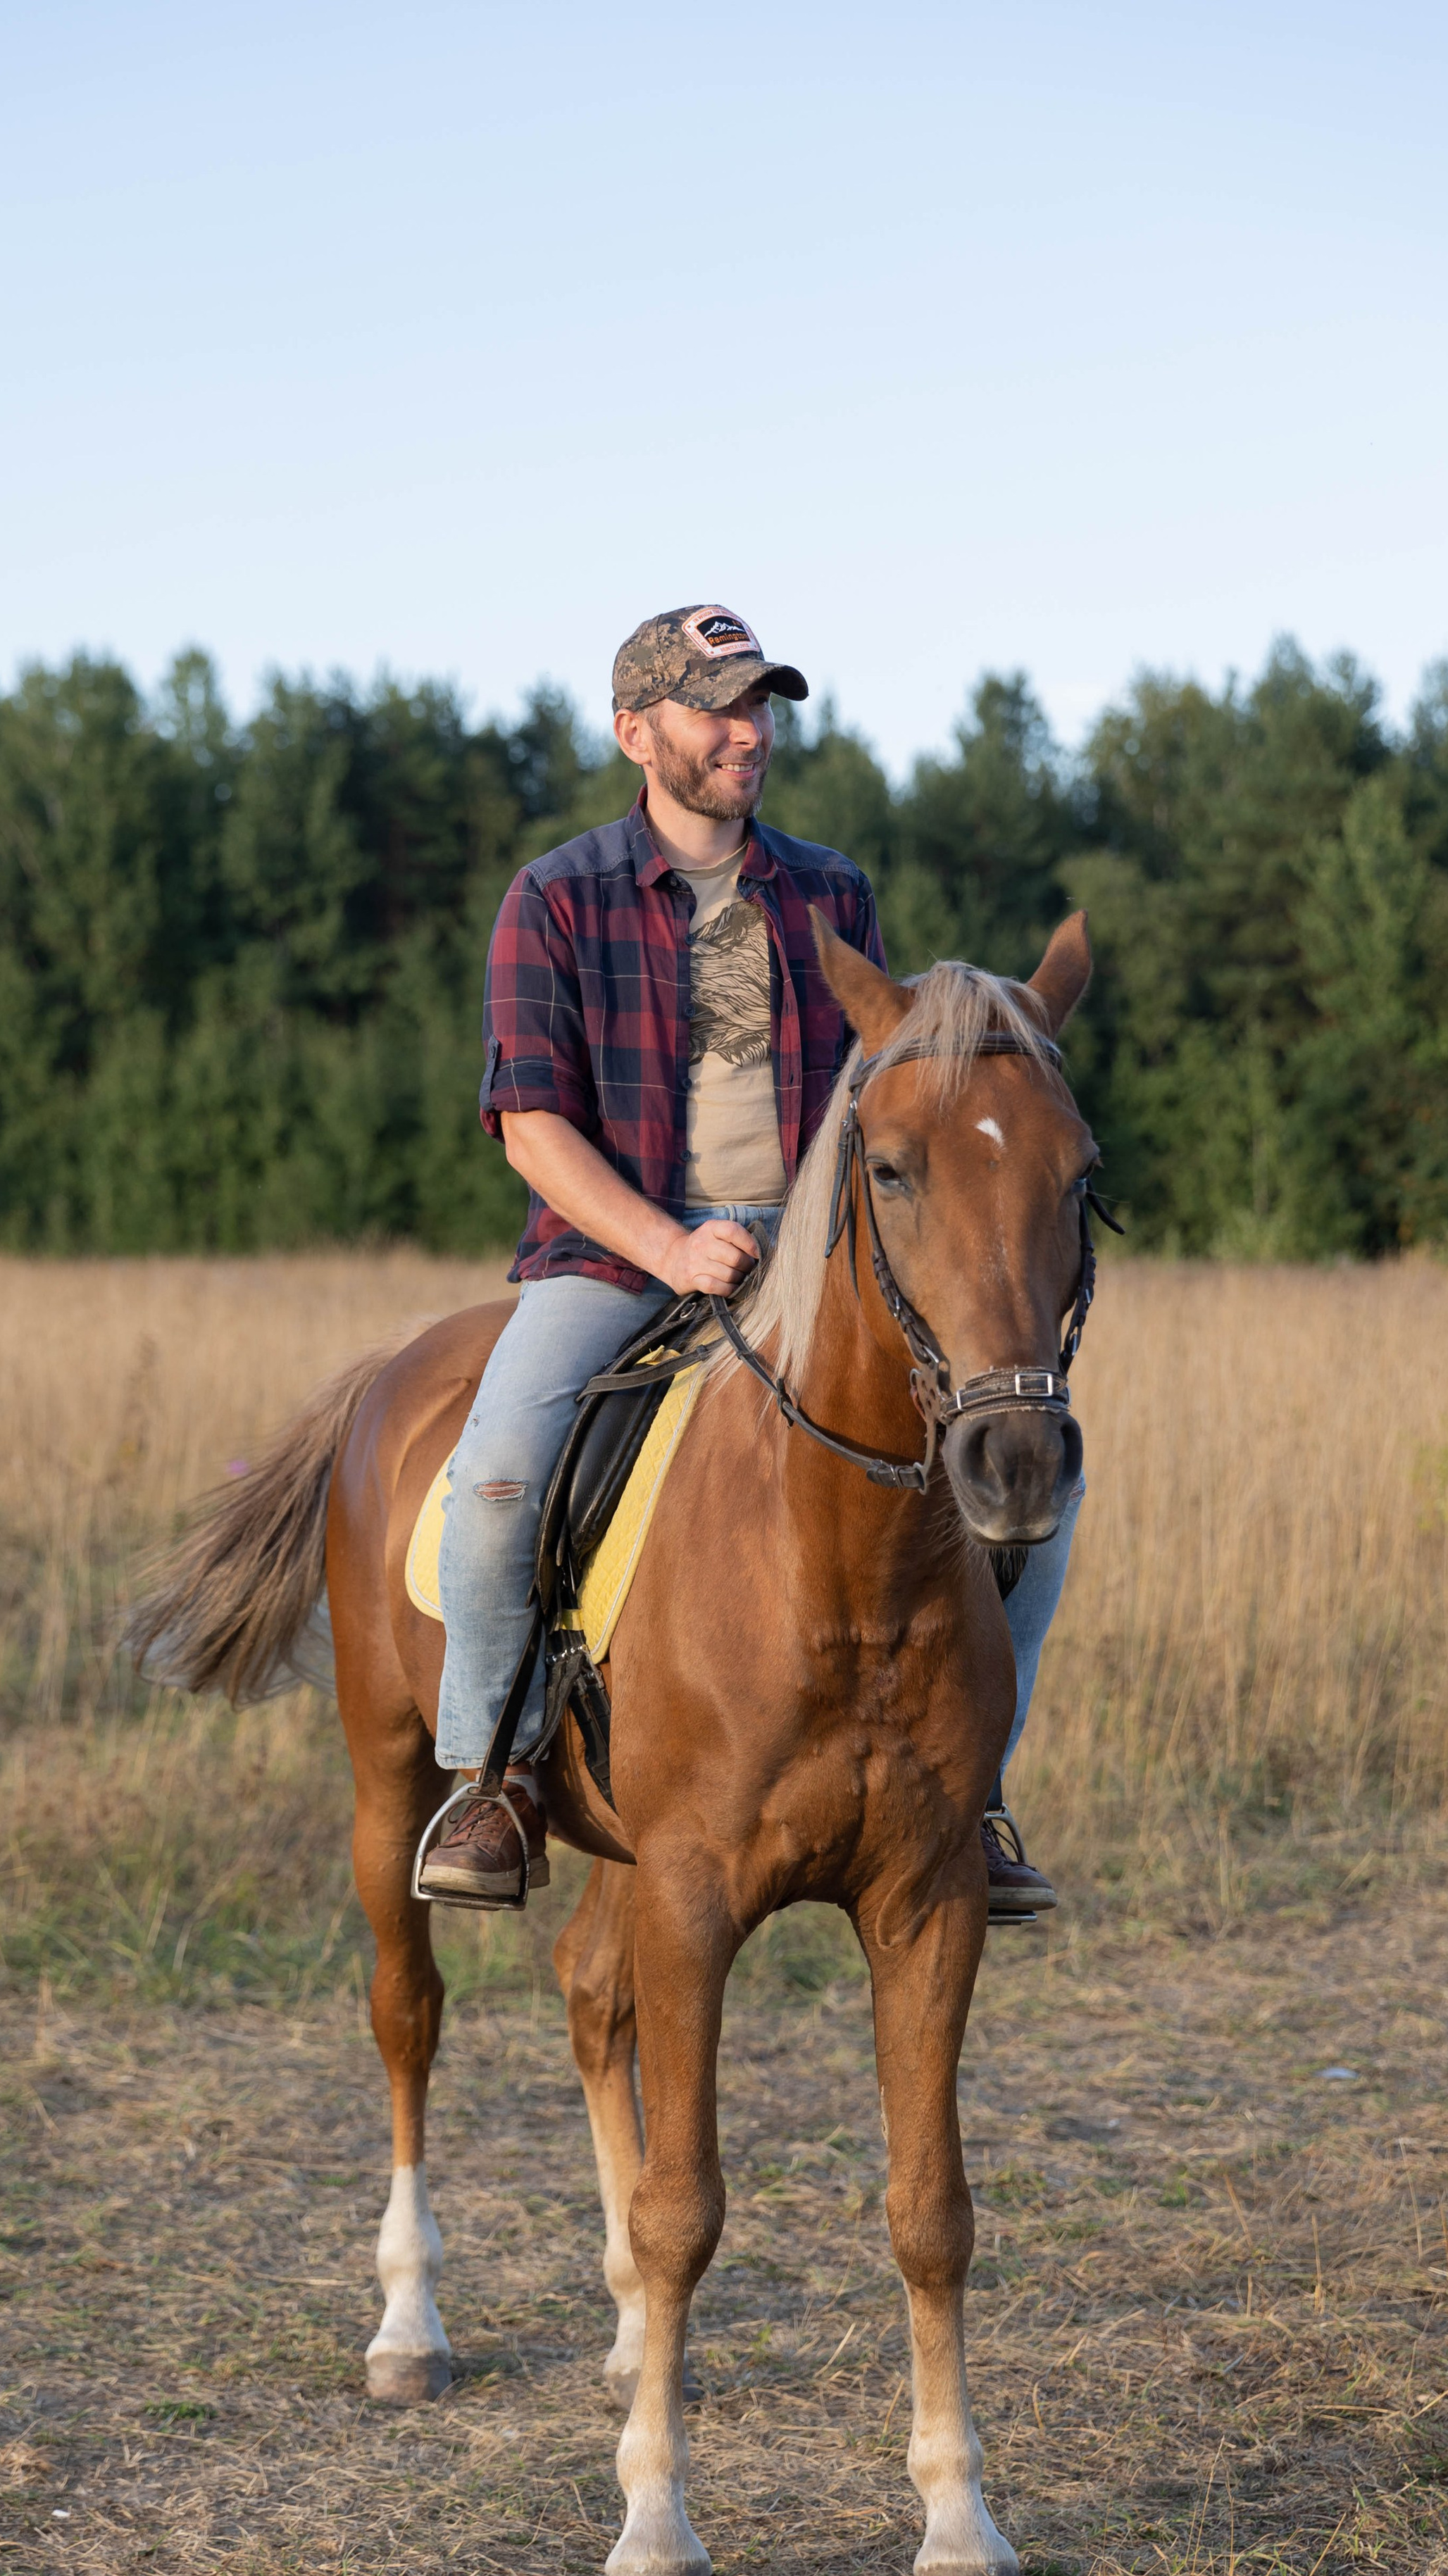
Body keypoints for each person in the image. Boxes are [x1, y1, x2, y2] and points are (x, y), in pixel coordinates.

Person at [421, 604, 1069, 1913]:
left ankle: (977, 1789)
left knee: (1031, 1471)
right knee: (497, 1477)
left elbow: (888, 1096)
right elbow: (532, 1127)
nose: (747, 731)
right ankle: (493, 1773)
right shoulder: (556, 897)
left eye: (758, 704)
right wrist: (667, 1242)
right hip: (616, 1253)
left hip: (817, 1254)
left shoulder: (830, 892)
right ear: (636, 732)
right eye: (716, 707)